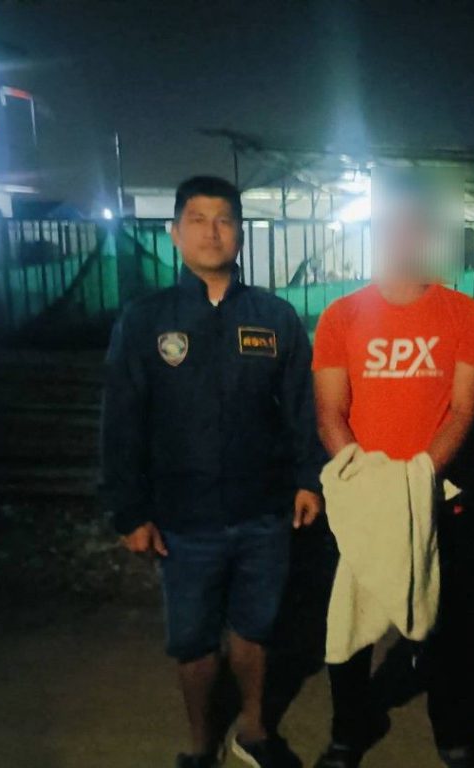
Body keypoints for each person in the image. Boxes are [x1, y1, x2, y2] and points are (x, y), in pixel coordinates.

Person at [101, 175, 325, 768]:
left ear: (240, 234)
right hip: (182, 518)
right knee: (193, 639)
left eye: (224, 220)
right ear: (175, 233)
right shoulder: (145, 320)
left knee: (256, 628)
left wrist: (309, 480)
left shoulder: (274, 317)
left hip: (264, 512)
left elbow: (302, 409)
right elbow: (122, 421)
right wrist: (130, 511)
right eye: (197, 220)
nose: (212, 232)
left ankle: (252, 731)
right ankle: (201, 745)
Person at [310, 174, 474, 768]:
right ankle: (347, 732)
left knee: (445, 624)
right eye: (389, 224)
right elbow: (330, 411)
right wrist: (368, 484)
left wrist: (417, 479)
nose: (401, 236)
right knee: (349, 627)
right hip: (362, 498)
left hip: (436, 496)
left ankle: (454, 736)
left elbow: (463, 409)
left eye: (413, 225)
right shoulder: (340, 316)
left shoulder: (464, 314)